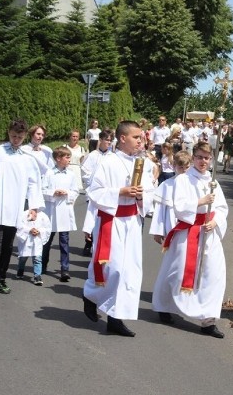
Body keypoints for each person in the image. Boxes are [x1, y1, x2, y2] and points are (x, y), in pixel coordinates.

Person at [82, 120, 155, 337]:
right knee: (112, 268)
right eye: (136, 137)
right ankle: (91, 295)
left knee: (129, 272)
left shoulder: (143, 164)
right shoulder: (108, 162)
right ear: (122, 138)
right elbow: (94, 192)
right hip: (111, 221)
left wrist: (142, 195)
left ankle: (115, 318)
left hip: (132, 222)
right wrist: (120, 192)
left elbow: (151, 190)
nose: (140, 141)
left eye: (141, 137)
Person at [151, 142, 228, 338]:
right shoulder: (183, 180)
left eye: (207, 158)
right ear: (193, 158)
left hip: (209, 233)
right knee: (176, 272)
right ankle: (165, 305)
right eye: (200, 157)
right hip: (189, 232)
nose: (203, 161)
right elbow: (180, 206)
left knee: (212, 274)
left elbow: (222, 208)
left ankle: (208, 320)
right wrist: (201, 202)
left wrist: (216, 221)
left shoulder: (214, 182)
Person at [0, 118, 45, 298]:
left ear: (25, 136)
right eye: (13, 136)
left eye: (19, 137)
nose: (16, 139)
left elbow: (33, 183)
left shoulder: (28, 158)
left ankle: (1, 279)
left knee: (7, 246)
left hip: (16, 208)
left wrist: (34, 207)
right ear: (8, 133)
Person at [41, 146, 80, 282]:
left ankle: (65, 269)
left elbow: (75, 191)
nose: (69, 159)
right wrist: (53, 193)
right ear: (58, 159)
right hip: (51, 211)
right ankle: (42, 264)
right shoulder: (49, 173)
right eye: (67, 157)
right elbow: (42, 190)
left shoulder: (71, 174)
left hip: (64, 211)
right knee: (47, 240)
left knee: (64, 241)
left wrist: (68, 193)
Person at [80, 128, 114, 257]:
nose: (108, 143)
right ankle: (88, 243)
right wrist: (92, 185)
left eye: (110, 140)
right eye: (106, 140)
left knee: (103, 219)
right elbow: (85, 173)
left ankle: (101, 244)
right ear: (100, 140)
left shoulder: (112, 157)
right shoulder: (93, 155)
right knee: (92, 219)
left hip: (106, 194)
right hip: (93, 192)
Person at [15, 205, 52, 286]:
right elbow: (19, 226)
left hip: (37, 240)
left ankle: (37, 276)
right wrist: (29, 230)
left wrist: (39, 231)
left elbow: (47, 228)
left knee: (37, 258)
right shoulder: (24, 214)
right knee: (23, 258)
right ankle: (20, 270)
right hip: (26, 240)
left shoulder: (43, 216)